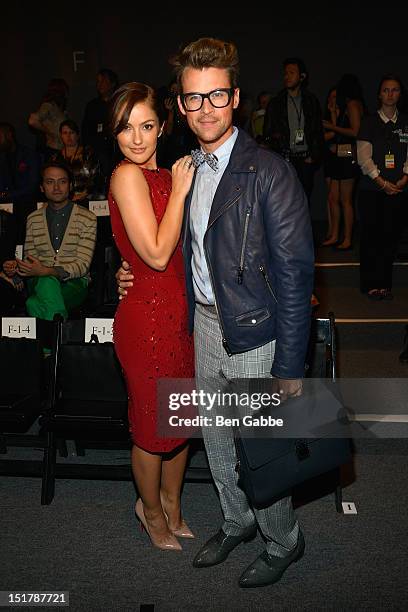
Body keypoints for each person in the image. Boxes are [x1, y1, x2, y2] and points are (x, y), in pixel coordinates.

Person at [118, 37, 314, 588]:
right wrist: (128, 270)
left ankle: (284, 539)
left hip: (256, 333)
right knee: (217, 437)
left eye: (217, 96)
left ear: (235, 99)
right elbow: (170, 247)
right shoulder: (186, 170)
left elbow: (297, 275)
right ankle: (237, 520)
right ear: (179, 106)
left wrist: (291, 366)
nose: (205, 108)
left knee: (262, 447)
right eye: (193, 99)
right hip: (201, 324)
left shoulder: (270, 172)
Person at [108, 82, 195, 551]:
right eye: (125, 128)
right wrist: (182, 190)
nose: (137, 138)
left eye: (146, 126)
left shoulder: (163, 175)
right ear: (114, 133)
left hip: (179, 315)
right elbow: (158, 254)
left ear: (162, 126)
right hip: (146, 320)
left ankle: (174, 504)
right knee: (151, 427)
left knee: (179, 422)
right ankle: (152, 512)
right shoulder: (126, 176)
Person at [17, 161, 97, 321]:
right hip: (39, 281)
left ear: (70, 185)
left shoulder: (88, 218)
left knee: (33, 303)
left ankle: (46, 346)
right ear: (41, 187)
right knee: (46, 283)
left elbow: (83, 265)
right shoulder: (33, 219)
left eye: (62, 181)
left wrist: (48, 271)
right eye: (49, 182)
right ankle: (57, 342)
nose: (56, 187)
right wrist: (20, 268)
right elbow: (30, 258)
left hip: (75, 283)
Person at [357, 74, 408, 300]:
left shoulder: (405, 122)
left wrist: (405, 177)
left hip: (398, 189)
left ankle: (384, 283)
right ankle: (370, 283)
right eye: (386, 90)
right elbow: (363, 159)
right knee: (371, 237)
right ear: (379, 94)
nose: (390, 94)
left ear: (400, 94)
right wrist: (382, 182)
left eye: (394, 90)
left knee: (390, 238)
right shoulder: (368, 122)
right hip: (372, 190)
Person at [263, 57, 324, 203]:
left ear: (302, 76)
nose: (287, 76)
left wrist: (314, 156)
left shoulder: (311, 100)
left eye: (291, 72)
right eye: (285, 73)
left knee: (304, 201)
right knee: (283, 202)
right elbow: (268, 131)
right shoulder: (276, 102)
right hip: (285, 159)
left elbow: (317, 130)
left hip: (305, 160)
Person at [321, 74, 366, 250]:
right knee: (335, 198)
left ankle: (347, 238)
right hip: (342, 157)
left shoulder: (353, 104)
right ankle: (336, 235)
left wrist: (332, 127)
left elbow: (355, 132)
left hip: (349, 157)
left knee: (346, 200)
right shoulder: (347, 106)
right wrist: (333, 115)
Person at [82, 68, 119, 195]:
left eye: (103, 81)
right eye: (98, 82)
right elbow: (86, 131)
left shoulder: (119, 103)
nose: (100, 85)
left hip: (117, 153)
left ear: (112, 83)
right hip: (98, 156)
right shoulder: (92, 106)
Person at [56, 119, 100, 203]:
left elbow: (96, 178)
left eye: (71, 132)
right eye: (65, 133)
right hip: (62, 199)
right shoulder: (56, 157)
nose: (68, 136)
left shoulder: (88, 153)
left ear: (77, 135)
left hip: (87, 198)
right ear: (61, 135)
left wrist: (83, 194)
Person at [28, 78, 69, 160]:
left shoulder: (58, 108)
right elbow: (32, 121)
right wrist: (48, 131)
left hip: (61, 149)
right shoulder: (49, 105)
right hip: (53, 150)